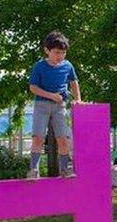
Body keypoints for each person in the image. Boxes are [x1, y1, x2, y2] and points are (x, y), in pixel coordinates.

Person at [27, 31, 81, 179]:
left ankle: (65, 169)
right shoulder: (39, 66)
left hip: (60, 107)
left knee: (63, 139)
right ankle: (34, 170)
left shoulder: (68, 65)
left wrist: (78, 99)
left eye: (63, 53)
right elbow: (33, 87)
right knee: (38, 137)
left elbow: (74, 82)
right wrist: (51, 95)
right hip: (41, 105)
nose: (60, 56)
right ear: (47, 50)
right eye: (57, 52)